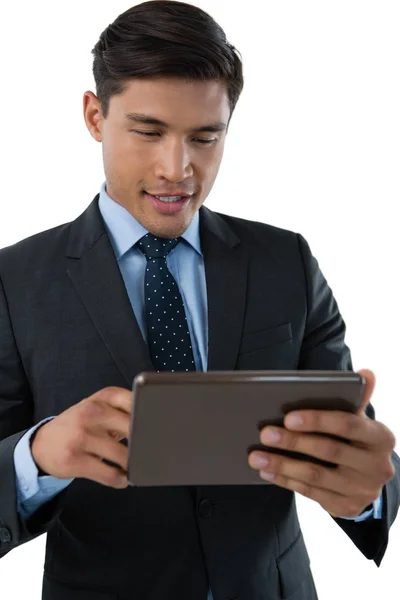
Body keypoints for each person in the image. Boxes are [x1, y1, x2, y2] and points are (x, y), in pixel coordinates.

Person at [0, 1, 398, 599]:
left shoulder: (284, 260)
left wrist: (373, 491)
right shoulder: (16, 279)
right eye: (148, 131)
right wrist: (37, 455)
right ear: (93, 115)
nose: (177, 168)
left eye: (205, 136)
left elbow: (347, 438)